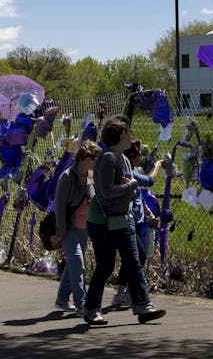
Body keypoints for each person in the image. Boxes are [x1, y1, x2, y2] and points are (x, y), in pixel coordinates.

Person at [82, 116, 165, 325]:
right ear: (119, 136)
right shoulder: (108, 158)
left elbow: (137, 181)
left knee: (134, 262)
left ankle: (143, 306)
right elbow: (107, 191)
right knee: (105, 265)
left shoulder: (124, 159)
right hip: (102, 221)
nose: (130, 135)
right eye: (127, 132)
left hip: (121, 219)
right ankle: (91, 309)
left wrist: (137, 182)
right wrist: (130, 186)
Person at [109, 140, 162, 310]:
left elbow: (138, 195)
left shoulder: (130, 172)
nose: (141, 158)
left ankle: (122, 292)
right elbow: (150, 181)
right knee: (138, 256)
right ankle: (136, 296)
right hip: (128, 221)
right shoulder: (129, 173)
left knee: (133, 257)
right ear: (132, 157)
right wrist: (159, 165)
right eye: (139, 155)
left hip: (138, 221)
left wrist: (146, 212)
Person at [51, 140, 101, 313]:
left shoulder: (90, 175)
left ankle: (62, 298)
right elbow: (59, 206)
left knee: (74, 263)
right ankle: (82, 303)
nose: (97, 163)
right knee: (78, 263)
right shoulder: (66, 177)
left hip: (84, 226)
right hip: (68, 227)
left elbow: (93, 197)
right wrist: (59, 232)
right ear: (87, 158)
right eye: (96, 159)